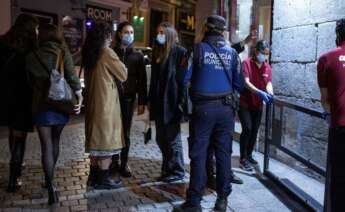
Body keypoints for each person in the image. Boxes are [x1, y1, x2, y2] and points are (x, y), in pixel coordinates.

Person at [175, 15, 244, 212]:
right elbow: (239, 84)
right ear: (222, 31)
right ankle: (222, 200)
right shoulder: (232, 53)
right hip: (226, 110)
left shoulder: (196, 50)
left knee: (198, 154)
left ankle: (194, 201)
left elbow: (182, 79)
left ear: (206, 28)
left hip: (203, 110)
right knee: (223, 154)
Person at [26, 23, 83, 204]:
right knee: (56, 141)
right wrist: (79, 95)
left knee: (46, 147)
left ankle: (50, 184)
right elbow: (72, 76)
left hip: (41, 105)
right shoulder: (61, 51)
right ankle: (49, 179)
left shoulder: (30, 56)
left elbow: (28, 83)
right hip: (60, 103)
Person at [206, 29, 258, 187]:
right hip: (212, 105)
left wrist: (247, 41)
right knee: (211, 145)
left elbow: (236, 49)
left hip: (227, 107)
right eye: (224, 37)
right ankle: (211, 175)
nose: (226, 42)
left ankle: (226, 174)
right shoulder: (208, 51)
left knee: (224, 144)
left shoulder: (229, 53)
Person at [83, 22, 127, 190]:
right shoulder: (106, 52)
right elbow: (123, 74)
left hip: (93, 104)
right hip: (106, 106)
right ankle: (103, 179)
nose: (111, 39)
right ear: (105, 36)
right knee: (106, 143)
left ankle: (92, 176)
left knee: (95, 143)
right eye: (110, 35)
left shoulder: (89, 53)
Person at [0, 14, 39, 193]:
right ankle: (14, 178)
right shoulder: (32, 46)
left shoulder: (3, 41)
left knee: (11, 131)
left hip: (4, 95)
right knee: (20, 135)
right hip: (23, 96)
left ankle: (14, 170)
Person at [148, 22, 187, 183]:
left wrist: (182, 103)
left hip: (172, 103)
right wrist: (150, 101)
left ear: (170, 34)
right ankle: (167, 167)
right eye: (158, 32)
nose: (159, 35)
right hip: (158, 104)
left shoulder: (180, 52)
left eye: (162, 33)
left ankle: (177, 170)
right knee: (160, 138)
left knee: (173, 139)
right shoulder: (158, 52)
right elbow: (154, 80)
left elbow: (183, 81)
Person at [111, 21, 147, 177]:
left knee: (125, 133)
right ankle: (113, 161)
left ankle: (124, 163)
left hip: (128, 99)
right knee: (112, 131)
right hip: (111, 99)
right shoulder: (112, 53)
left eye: (132, 32)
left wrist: (142, 102)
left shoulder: (138, 55)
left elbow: (142, 81)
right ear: (119, 33)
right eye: (126, 32)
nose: (129, 35)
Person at [317, 18, 345, 212]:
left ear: (337, 35)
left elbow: (325, 98)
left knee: (339, 180)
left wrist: (329, 116)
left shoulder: (326, 58)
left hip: (340, 127)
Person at [238, 40, 273, 171]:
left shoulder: (267, 67)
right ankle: (242, 158)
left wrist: (270, 92)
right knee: (247, 128)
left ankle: (249, 154)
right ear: (256, 51)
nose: (264, 56)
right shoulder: (246, 63)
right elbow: (246, 82)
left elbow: (268, 82)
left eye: (267, 54)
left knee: (254, 130)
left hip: (257, 105)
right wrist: (259, 92)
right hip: (245, 103)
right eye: (263, 53)